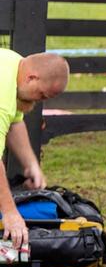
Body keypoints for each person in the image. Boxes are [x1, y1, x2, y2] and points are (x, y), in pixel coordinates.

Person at [0, 51, 69, 253]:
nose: (39, 101)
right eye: (41, 95)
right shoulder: (3, 95)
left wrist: (31, 164)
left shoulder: (15, 64)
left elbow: (15, 121)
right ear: (32, 78)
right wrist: (10, 213)